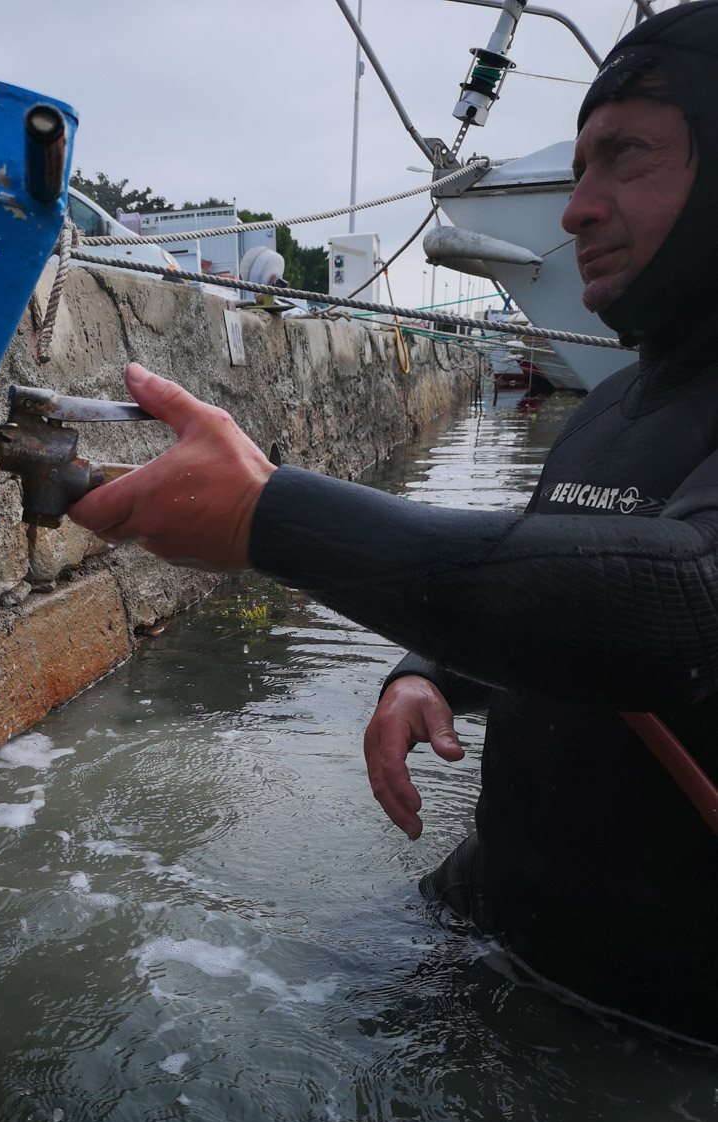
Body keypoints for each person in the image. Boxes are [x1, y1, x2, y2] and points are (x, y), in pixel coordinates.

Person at [71, 4, 718, 1042]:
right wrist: (426, 670)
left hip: (652, 1042)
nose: (574, 210)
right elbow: (558, 574)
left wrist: (267, 513)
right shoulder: (609, 408)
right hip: (485, 931)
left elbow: (680, 605)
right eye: (579, 166)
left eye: (626, 155)